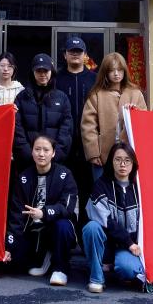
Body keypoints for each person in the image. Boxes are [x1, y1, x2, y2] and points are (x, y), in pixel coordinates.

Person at [4, 135, 79, 287]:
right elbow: (16, 214)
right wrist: (8, 247)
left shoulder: (65, 175)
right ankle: (44, 257)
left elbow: (67, 208)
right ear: (32, 152)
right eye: (37, 149)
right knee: (12, 263)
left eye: (46, 150)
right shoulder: (24, 177)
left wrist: (44, 213)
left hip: (56, 228)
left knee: (63, 225)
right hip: (33, 231)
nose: (41, 154)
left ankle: (60, 268)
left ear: (54, 153)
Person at [82, 142, 145, 293]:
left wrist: (132, 244)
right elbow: (106, 220)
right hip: (107, 245)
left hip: (129, 247)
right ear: (111, 161)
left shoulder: (140, 187)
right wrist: (128, 241)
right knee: (91, 227)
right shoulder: (101, 185)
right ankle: (96, 278)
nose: (122, 164)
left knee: (128, 270)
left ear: (133, 163)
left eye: (127, 160)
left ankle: (115, 264)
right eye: (118, 159)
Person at [80, 53, 147, 182]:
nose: (116, 74)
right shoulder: (96, 95)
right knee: (102, 191)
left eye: (120, 70)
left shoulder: (135, 94)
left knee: (128, 191)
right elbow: (88, 126)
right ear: (105, 72)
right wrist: (93, 153)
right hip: (103, 156)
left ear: (125, 71)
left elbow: (144, 122)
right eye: (112, 70)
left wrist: (135, 113)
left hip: (130, 154)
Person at [54, 37, 97, 223]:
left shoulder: (95, 79)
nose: (75, 54)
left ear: (85, 55)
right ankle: (66, 230)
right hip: (63, 145)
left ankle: (85, 231)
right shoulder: (56, 79)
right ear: (65, 55)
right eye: (71, 51)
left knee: (88, 191)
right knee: (63, 190)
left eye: (79, 51)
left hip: (88, 146)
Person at [13, 53, 73, 169]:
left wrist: (55, 155)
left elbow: (66, 130)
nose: (42, 74)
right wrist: (29, 154)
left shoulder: (62, 98)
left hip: (55, 162)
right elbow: (17, 129)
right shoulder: (22, 97)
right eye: (38, 71)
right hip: (27, 163)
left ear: (52, 72)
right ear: (33, 72)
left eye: (46, 71)